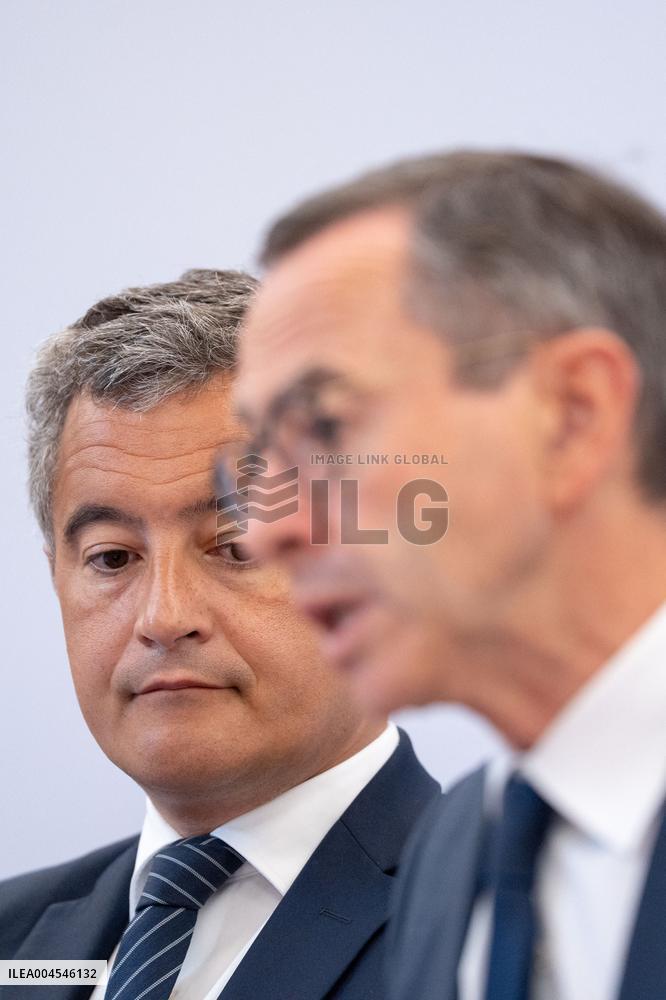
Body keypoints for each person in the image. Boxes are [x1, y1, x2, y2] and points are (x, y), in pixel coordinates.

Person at [233, 152, 666, 999]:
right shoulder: (452, 849)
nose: (266, 530)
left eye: (325, 423)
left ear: (574, 415)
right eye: (258, 458)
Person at [0, 269, 438, 1000]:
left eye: (236, 547)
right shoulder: (16, 941)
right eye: (112, 558)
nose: (163, 617)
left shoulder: (513, 928)